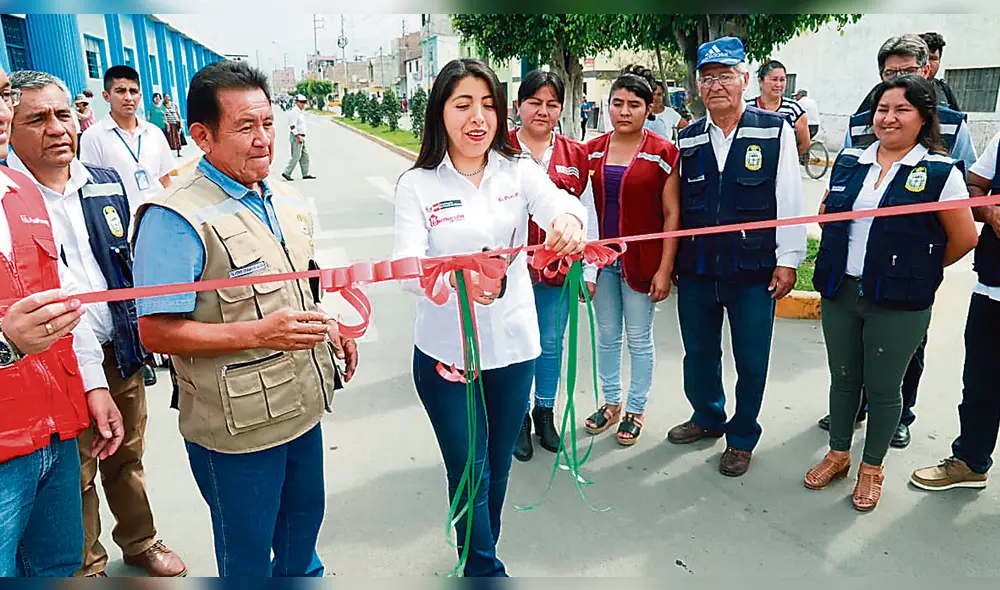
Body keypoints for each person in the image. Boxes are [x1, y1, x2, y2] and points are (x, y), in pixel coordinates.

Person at [131, 60, 358, 577]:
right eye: (246, 127)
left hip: (301, 408)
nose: (264, 140)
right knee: (249, 558)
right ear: (202, 136)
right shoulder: (175, 218)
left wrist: (331, 328)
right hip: (238, 432)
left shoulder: (280, 196)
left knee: (302, 538)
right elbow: (156, 330)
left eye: (268, 124)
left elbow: (298, 284)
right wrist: (260, 333)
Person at [391, 58, 586, 577]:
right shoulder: (417, 185)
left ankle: (477, 549)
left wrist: (567, 220)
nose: (477, 117)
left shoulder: (518, 171)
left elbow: (560, 205)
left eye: (487, 105)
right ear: (441, 114)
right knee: (469, 468)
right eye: (463, 105)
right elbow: (409, 270)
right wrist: (459, 279)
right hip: (444, 356)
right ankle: (483, 567)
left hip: (514, 348)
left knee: (497, 469)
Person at [7, 70, 187, 578]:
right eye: (37, 119)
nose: (57, 128)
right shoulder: (12, 199)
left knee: (127, 452)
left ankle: (140, 540)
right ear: (11, 129)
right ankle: (87, 565)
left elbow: (127, 261)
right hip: (52, 359)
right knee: (75, 471)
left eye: (63, 115)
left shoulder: (103, 183)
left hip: (118, 348)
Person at [806, 76, 977, 511]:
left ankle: (872, 468)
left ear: (923, 118)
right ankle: (839, 454)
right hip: (841, 290)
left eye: (902, 110)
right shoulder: (849, 162)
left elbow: (963, 238)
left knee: (883, 388)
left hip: (899, 303)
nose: (889, 118)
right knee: (843, 379)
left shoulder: (940, 173)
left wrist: (917, 270)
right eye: (883, 109)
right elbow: (829, 215)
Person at [0, 64, 124, 578]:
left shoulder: (21, 193)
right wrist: (4, 345)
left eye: (3, 94)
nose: (1, 112)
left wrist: (93, 386)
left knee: (58, 569)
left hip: (50, 439)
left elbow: (67, 306)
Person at [667, 36, 806, 477]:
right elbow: (676, 206)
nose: (716, 86)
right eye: (707, 79)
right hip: (698, 268)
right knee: (700, 353)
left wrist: (788, 259)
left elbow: (789, 198)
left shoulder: (773, 129)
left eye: (726, 76)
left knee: (751, 358)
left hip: (752, 270)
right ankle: (708, 416)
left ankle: (742, 435)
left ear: (745, 80)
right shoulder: (687, 138)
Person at [583, 65, 681, 446]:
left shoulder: (663, 153)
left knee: (639, 339)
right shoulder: (590, 151)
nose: (624, 111)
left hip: (642, 262)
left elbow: (672, 213)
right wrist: (584, 267)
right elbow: (580, 209)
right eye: (617, 103)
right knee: (607, 336)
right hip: (601, 261)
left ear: (648, 109)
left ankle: (636, 409)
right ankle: (611, 404)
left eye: (633, 104)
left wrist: (665, 268)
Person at [507, 69, 600, 462]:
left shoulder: (575, 154)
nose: (543, 111)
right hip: (508, 273)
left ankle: (545, 411)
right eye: (534, 103)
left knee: (550, 344)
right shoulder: (499, 150)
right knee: (515, 345)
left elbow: (589, 212)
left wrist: (590, 270)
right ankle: (517, 418)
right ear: (518, 106)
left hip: (559, 271)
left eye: (552, 104)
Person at [909, 128, 1000, 492]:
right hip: (994, 286)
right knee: (980, 382)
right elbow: (973, 189)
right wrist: (991, 212)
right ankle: (970, 462)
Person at [847, 35, 975, 168]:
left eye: (909, 71)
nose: (900, 78)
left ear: (925, 71)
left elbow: (967, 176)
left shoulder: (953, 125)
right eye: (890, 72)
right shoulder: (858, 125)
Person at [79, 66, 176, 218]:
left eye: (133, 91)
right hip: (122, 223)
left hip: (160, 218)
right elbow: (94, 189)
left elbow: (165, 180)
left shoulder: (154, 133)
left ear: (140, 95)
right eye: (120, 91)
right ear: (106, 96)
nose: (128, 97)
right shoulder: (93, 136)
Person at [748, 60, 810, 154]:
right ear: (760, 81)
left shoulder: (794, 110)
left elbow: (804, 144)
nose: (778, 85)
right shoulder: (747, 108)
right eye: (774, 79)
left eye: (782, 80)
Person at [919, 32, 961, 111]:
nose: (928, 63)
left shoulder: (944, 89)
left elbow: (958, 119)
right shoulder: (900, 88)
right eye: (925, 58)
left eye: (933, 58)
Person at [281, 94, 314, 181]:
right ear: (296, 102)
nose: (303, 104)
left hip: (302, 136)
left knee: (305, 156)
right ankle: (286, 173)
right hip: (297, 136)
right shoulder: (294, 112)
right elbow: (292, 126)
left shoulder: (300, 112)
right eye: (301, 102)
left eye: (304, 102)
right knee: (296, 156)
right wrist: (297, 136)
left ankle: (305, 174)